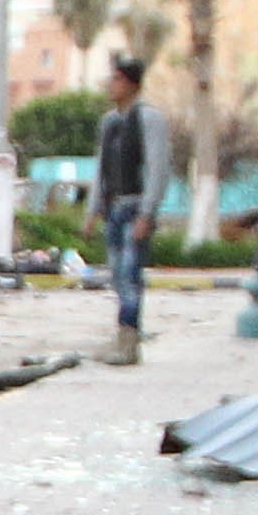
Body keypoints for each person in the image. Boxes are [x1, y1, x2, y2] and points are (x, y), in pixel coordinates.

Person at [94, 56, 174, 366]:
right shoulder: (110, 122)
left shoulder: (148, 118)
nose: (110, 85)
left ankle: (128, 342)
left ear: (130, 84)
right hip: (114, 207)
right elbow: (102, 168)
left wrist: (147, 212)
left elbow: (158, 167)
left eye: (115, 79)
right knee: (116, 273)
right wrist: (93, 209)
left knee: (130, 274)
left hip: (135, 206)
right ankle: (122, 335)